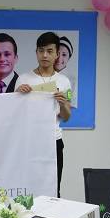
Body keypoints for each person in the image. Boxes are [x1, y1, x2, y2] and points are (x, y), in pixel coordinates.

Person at [16, 32, 72, 197]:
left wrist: (63, 103)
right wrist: (18, 95)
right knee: (27, 188)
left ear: (57, 54)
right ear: (36, 53)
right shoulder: (23, 79)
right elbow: (15, 115)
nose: (45, 55)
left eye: (49, 51)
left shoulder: (64, 81)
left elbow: (66, 117)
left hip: (54, 141)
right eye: (41, 51)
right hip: (29, 142)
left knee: (54, 187)